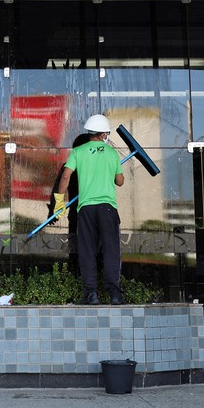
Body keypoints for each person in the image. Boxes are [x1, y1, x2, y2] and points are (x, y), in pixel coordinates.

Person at [55, 114, 124, 305]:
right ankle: (115, 294)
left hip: (86, 209)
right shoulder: (112, 153)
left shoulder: (78, 152)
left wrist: (59, 201)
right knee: (111, 251)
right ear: (103, 134)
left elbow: (65, 177)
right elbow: (120, 181)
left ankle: (91, 294)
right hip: (108, 209)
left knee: (87, 251)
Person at [46, 133, 91, 274]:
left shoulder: (71, 166)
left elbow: (58, 187)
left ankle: (78, 277)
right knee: (81, 248)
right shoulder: (71, 166)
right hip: (82, 213)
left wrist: (54, 209)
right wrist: (54, 209)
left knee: (78, 249)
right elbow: (59, 186)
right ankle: (80, 279)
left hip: (79, 213)